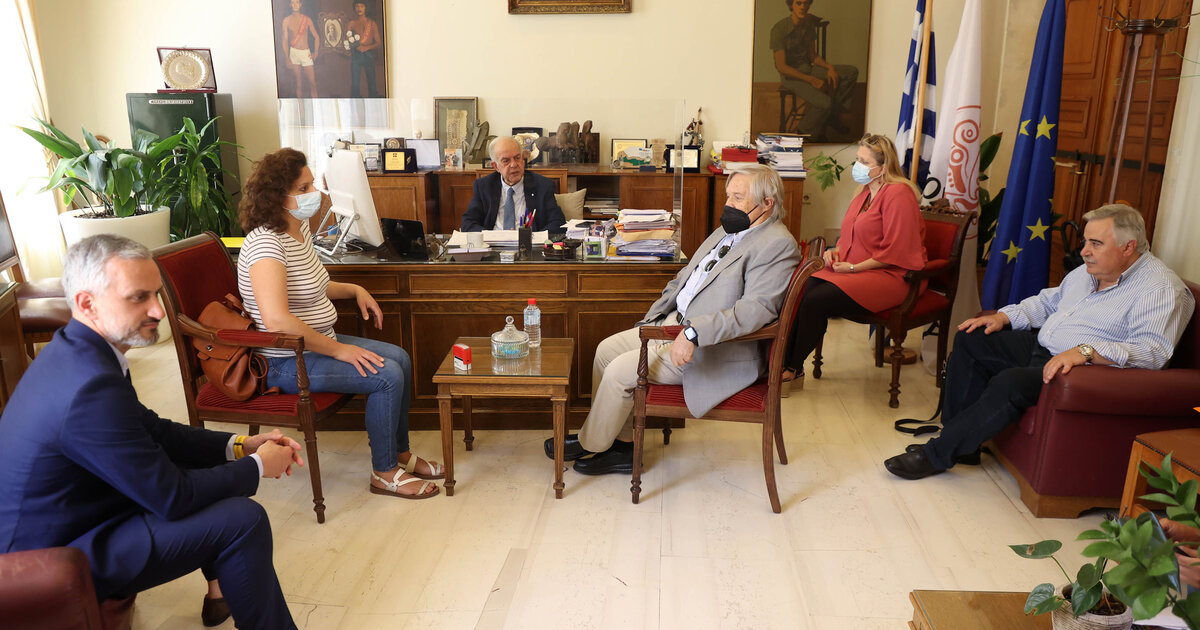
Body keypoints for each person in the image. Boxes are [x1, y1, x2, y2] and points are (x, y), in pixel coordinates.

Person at [0, 234, 302, 630]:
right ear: (87, 303)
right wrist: (259, 466)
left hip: (77, 518)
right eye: (138, 297)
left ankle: (221, 594)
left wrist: (241, 446)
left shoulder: (83, 351)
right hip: (48, 558)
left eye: (156, 294)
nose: (159, 310)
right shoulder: (88, 386)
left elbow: (153, 430)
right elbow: (172, 497)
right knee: (243, 520)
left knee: (210, 479)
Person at [884, 204, 1195, 480]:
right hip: (1042, 348)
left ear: (1129, 247)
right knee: (973, 337)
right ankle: (961, 444)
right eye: (1085, 241)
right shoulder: (1092, 271)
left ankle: (937, 454)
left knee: (1011, 382)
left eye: (1095, 243)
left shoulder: (1160, 289)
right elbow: (1049, 301)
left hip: (1081, 372)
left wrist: (1086, 352)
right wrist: (1004, 317)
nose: (1084, 251)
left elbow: (1153, 352)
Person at [546, 164, 802, 474]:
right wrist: (659, 316)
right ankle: (622, 447)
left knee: (618, 372)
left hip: (712, 348)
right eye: (728, 196)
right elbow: (686, 275)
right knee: (605, 351)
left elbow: (755, 311)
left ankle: (591, 443)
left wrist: (693, 333)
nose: (728, 204)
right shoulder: (730, 230)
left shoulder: (776, 244)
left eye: (738, 197)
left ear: (767, 203)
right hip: (673, 324)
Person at [238, 147, 442, 499]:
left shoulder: (298, 230)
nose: (314, 194)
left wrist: (354, 289)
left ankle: (399, 453)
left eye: (311, 184)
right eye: (303, 189)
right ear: (276, 197)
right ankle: (384, 472)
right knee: (387, 375)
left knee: (401, 358)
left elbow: (315, 283)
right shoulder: (266, 245)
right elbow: (276, 320)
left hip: (315, 345)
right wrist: (339, 351)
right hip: (284, 361)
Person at [781, 134, 926, 390]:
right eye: (858, 159)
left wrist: (853, 268)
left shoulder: (898, 194)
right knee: (802, 288)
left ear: (883, 167)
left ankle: (792, 368)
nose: (858, 166)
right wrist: (835, 252)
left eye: (865, 162)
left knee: (816, 301)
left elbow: (896, 250)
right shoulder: (864, 192)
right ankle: (781, 364)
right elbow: (852, 236)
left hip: (893, 275)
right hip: (859, 270)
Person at [770, 0, 859, 137]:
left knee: (851, 72)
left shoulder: (808, 26)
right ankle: (804, 131)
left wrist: (830, 67)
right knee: (825, 103)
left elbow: (813, 56)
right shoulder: (779, 29)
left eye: (806, 3)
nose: (803, 7)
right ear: (791, 5)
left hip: (808, 68)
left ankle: (831, 114)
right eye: (798, 3)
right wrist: (811, 80)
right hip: (791, 76)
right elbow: (781, 67)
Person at [460, 136, 566, 233]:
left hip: (528, 244)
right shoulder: (484, 186)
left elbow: (558, 222)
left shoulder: (542, 186)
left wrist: (533, 238)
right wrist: (491, 237)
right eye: (506, 161)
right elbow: (468, 223)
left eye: (517, 158)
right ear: (495, 166)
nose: (514, 165)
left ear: (523, 160)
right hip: (493, 244)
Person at [282, 0, 320, 98]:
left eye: (297, 2)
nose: (295, 5)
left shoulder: (307, 20)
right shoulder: (286, 20)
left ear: (300, 4)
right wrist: (287, 58)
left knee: (312, 83)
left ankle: (315, 106)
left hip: (305, 53)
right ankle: (301, 107)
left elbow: (316, 37)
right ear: (290, 5)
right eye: (293, 3)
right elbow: (285, 40)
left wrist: (316, 52)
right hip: (294, 53)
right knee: (298, 84)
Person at [348, 0, 381, 98]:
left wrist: (366, 48)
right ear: (354, 8)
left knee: (372, 83)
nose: (359, 9)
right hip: (356, 54)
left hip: (368, 54)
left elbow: (378, 43)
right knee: (355, 84)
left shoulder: (372, 23)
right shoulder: (352, 23)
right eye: (357, 6)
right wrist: (355, 46)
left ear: (365, 8)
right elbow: (348, 40)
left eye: (361, 6)